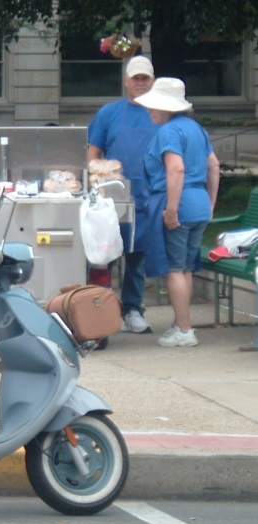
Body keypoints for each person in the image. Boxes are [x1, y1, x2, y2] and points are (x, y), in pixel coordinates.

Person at [136, 77, 220, 347]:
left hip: (179, 203)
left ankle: (184, 329)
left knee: (173, 268)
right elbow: (214, 166)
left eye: (153, 107)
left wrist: (171, 209)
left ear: (166, 108)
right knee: (185, 267)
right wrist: (210, 203)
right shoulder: (196, 128)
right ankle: (182, 323)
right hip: (197, 204)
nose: (149, 111)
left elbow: (176, 169)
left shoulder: (169, 132)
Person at [87, 56, 159, 334]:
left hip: (148, 193)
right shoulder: (109, 113)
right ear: (127, 81)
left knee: (137, 256)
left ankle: (132, 309)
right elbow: (94, 153)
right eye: (136, 78)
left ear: (152, 81)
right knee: (103, 254)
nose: (140, 83)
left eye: (145, 79)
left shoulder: (161, 113)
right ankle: (98, 311)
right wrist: (95, 184)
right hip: (111, 196)